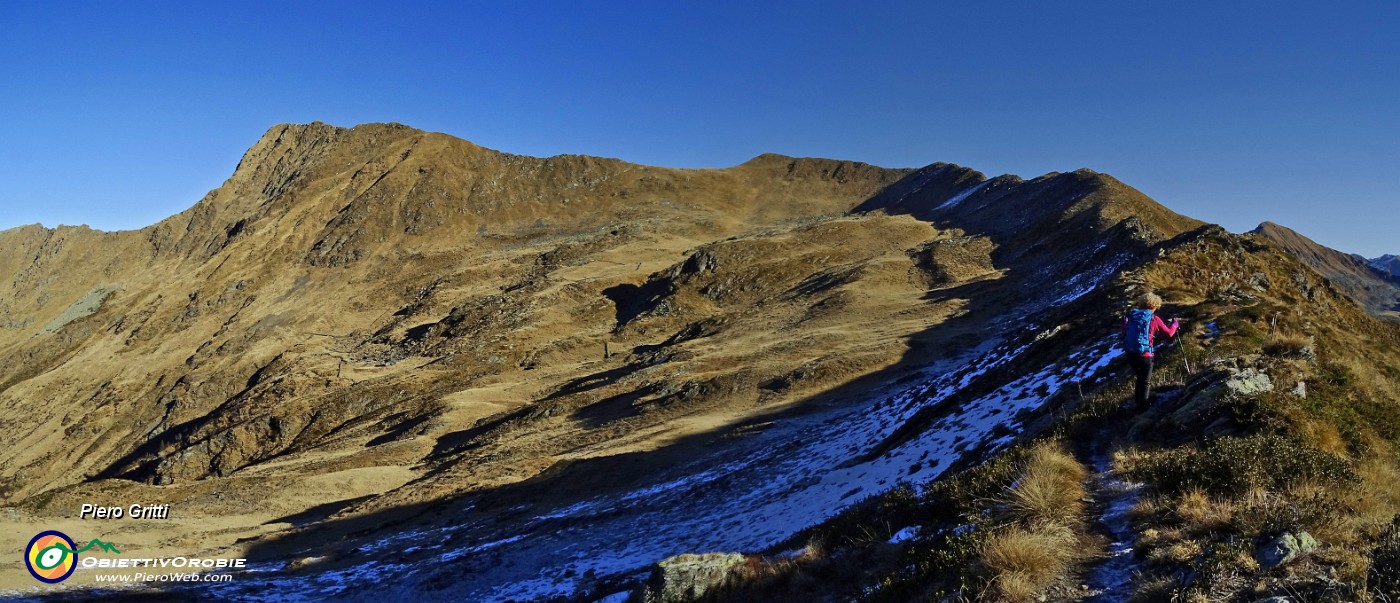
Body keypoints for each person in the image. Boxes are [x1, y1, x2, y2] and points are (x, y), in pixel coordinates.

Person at [1121, 292, 1179, 408]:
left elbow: (1124, 333)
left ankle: (1138, 402)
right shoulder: (1154, 319)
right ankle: (1143, 406)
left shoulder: (1132, 316)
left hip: (1131, 353)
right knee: (1145, 380)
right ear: (1154, 306)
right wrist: (1175, 325)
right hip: (1145, 354)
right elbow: (1169, 334)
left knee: (1140, 377)